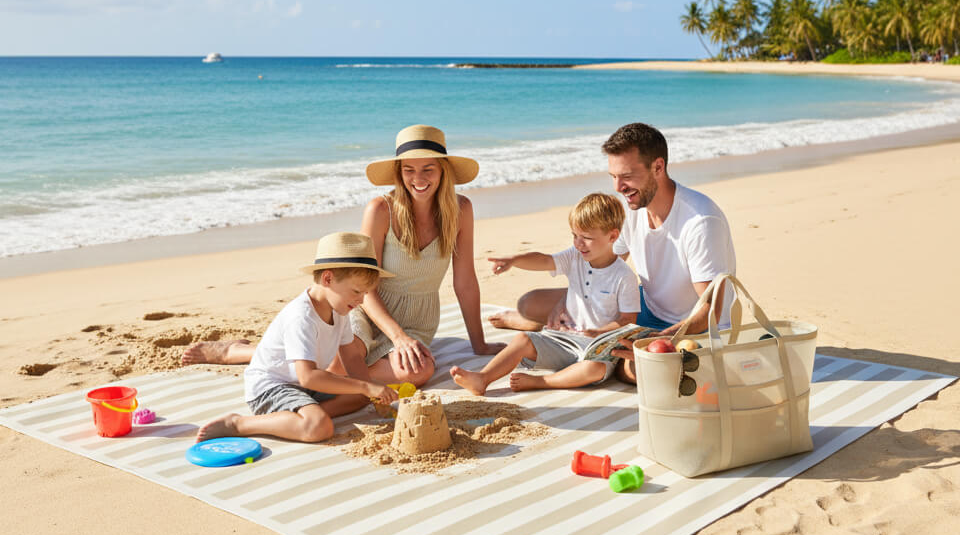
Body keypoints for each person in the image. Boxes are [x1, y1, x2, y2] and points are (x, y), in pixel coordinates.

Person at [183, 124, 501, 381]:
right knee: (334, 367)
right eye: (409, 170)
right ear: (399, 172)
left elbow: (465, 282)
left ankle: (313, 366)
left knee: (418, 372)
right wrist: (397, 336)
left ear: (443, 170)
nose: (418, 179)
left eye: (428, 169)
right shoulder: (381, 210)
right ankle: (241, 352)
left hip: (419, 318)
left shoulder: (461, 210)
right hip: (364, 306)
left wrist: (479, 344)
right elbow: (366, 284)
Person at [493, 123, 735, 383]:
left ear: (658, 167)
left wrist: (658, 340)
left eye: (626, 176)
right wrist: (570, 301)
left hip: (688, 327)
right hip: (644, 307)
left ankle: (553, 333)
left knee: (631, 371)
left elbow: (711, 312)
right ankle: (538, 324)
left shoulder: (700, 221)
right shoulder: (633, 208)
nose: (618, 187)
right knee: (530, 303)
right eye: (613, 176)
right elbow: (605, 266)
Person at [196, 232, 397, 444]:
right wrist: (366, 387)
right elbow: (308, 377)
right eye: (357, 291)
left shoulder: (340, 309)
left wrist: (370, 391)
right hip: (272, 387)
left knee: (361, 395)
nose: (361, 300)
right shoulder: (302, 317)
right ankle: (239, 424)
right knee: (319, 428)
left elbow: (352, 357)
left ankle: (299, 416)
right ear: (328, 279)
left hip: (304, 387)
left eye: (365, 293)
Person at [450, 193, 639, 395]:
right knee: (523, 339)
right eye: (575, 236)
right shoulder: (575, 257)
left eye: (586, 238)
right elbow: (544, 260)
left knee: (594, 369)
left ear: (612, 236)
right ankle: (482, 378)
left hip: (597, 348)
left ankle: (542, 381)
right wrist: (515, 260)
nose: (578, 243)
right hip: (563, 338)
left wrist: (599, 332)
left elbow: (627, 320)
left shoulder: (624, 277)